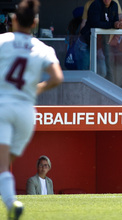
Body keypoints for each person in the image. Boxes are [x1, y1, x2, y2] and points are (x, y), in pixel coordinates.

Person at [0, 0, 63, 219]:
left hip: (3, 106)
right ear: (35, 22)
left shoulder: (3, 40)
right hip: (26, 111)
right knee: (6, 162)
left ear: (13, 20)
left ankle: (11, 203)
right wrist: (35, 89)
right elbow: (57, 77)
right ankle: (10, 205)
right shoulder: (43, 48)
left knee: (2, 165)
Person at [74, 0, 122, 75]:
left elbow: (115, 21)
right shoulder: (95, 4)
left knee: (102, 73)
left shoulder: (114, 5)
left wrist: (118, 25)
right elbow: (95, 23)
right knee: (84, 71)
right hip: (86, 43)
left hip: (100, 43)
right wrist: (113, 24)